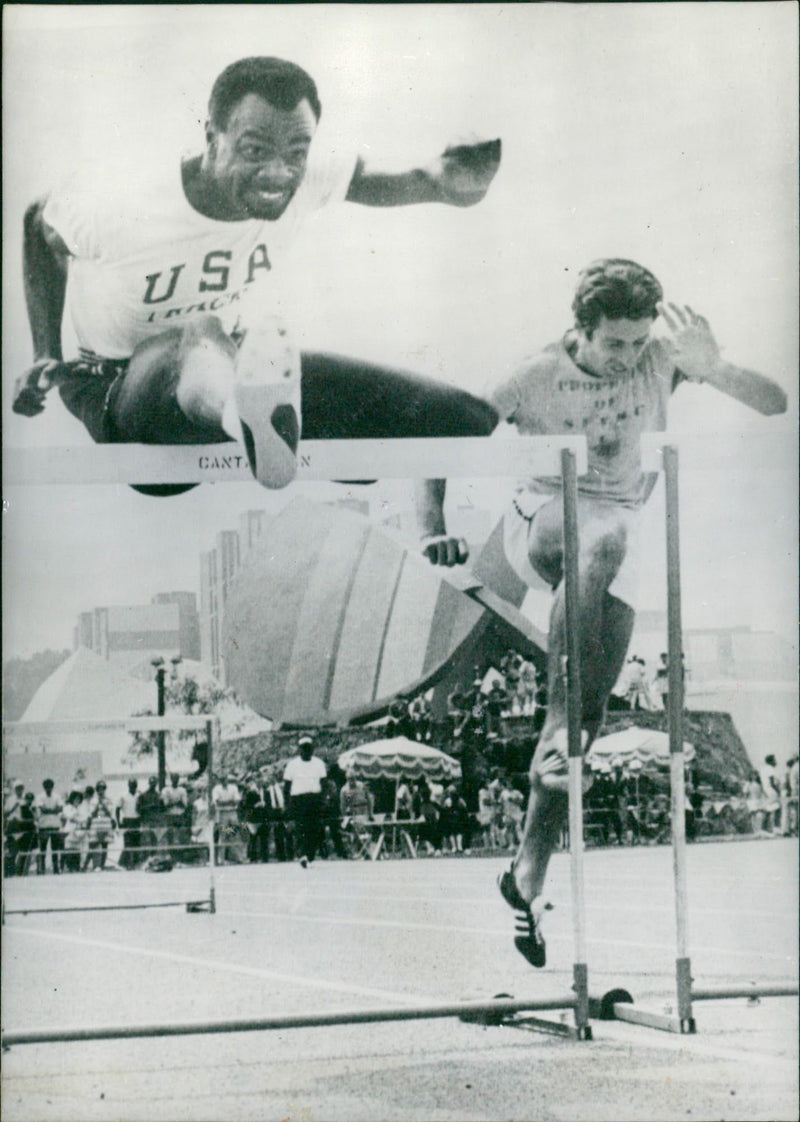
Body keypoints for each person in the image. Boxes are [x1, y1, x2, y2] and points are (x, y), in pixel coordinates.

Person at [416, 257, 787, 966]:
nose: (626, 360)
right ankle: (555, 726)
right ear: (580, 332)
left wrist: (715, 367)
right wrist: (430, 522)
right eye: (612, 345)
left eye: (636, 343)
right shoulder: (530, 374)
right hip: (543, 518)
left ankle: (526, 875)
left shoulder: (660, 360)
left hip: (614, 537)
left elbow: (774, 403)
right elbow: (441, 435)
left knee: (586, 719)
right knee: (602, 546)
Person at [14, 56, 500, 496]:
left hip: (231, 362)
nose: (278, 174)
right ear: (212, 138)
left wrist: (460, 180)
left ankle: (260, 419)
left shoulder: (310, 176)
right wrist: (45, 353)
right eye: (254, 152)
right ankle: (246, 417)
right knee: (199, 332)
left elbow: (422, 179)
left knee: (464, 418)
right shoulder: (125, 202)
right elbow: (39, 223)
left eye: (296, 153)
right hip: (120, 390)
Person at [283, 735, 327, 867]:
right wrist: (287, 804)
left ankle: (310, 854)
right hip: (298, 799)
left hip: (314, 798)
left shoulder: (319, 763)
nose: (307, 751)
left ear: (312, 749)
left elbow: (324, 783)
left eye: (309, 748)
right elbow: (287, 786)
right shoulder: (292, 765)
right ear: (300, 749)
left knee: (314, 828)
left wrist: (323, 800)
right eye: (304, 749)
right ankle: (302, 854)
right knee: (300, 827)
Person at [35, 779, 64, 875]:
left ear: (52, 787)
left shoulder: (57, 796)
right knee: (42, 848)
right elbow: (42, 809)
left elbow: (60, 808)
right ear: (44, 787)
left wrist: (50, 810)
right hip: (43, 825)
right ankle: (42, 869)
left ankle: (56, 868)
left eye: (50, 787)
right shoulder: (40, 796)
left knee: (55, 848)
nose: (49, 789)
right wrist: (53, 810)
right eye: (47, 787)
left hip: (55, 825)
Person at [116, 779, 142, 869]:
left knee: (136, 842)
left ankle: (135, 863)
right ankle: (125, 864)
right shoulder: (123, 795)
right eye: (131, 785)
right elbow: (117, 809)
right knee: (127, 843)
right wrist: (118, 822)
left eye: (134, 785)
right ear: (128, 785)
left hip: (137, 820)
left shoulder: (139, 795)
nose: (133, 787)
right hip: (127, 820)